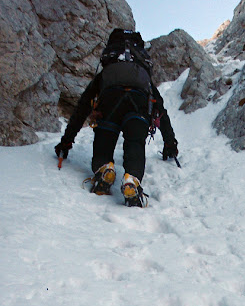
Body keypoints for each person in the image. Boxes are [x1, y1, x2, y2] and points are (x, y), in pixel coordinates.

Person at [55, 29, 178, 207]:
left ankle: (104, 167)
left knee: (104, 139)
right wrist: (170, 144)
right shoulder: (145, 79)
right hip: (138, 105)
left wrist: (66, 142)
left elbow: (82, 108)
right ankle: (131, 179)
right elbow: (161, 111)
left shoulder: (106, 73)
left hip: (110, 103)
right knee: (135, 142)